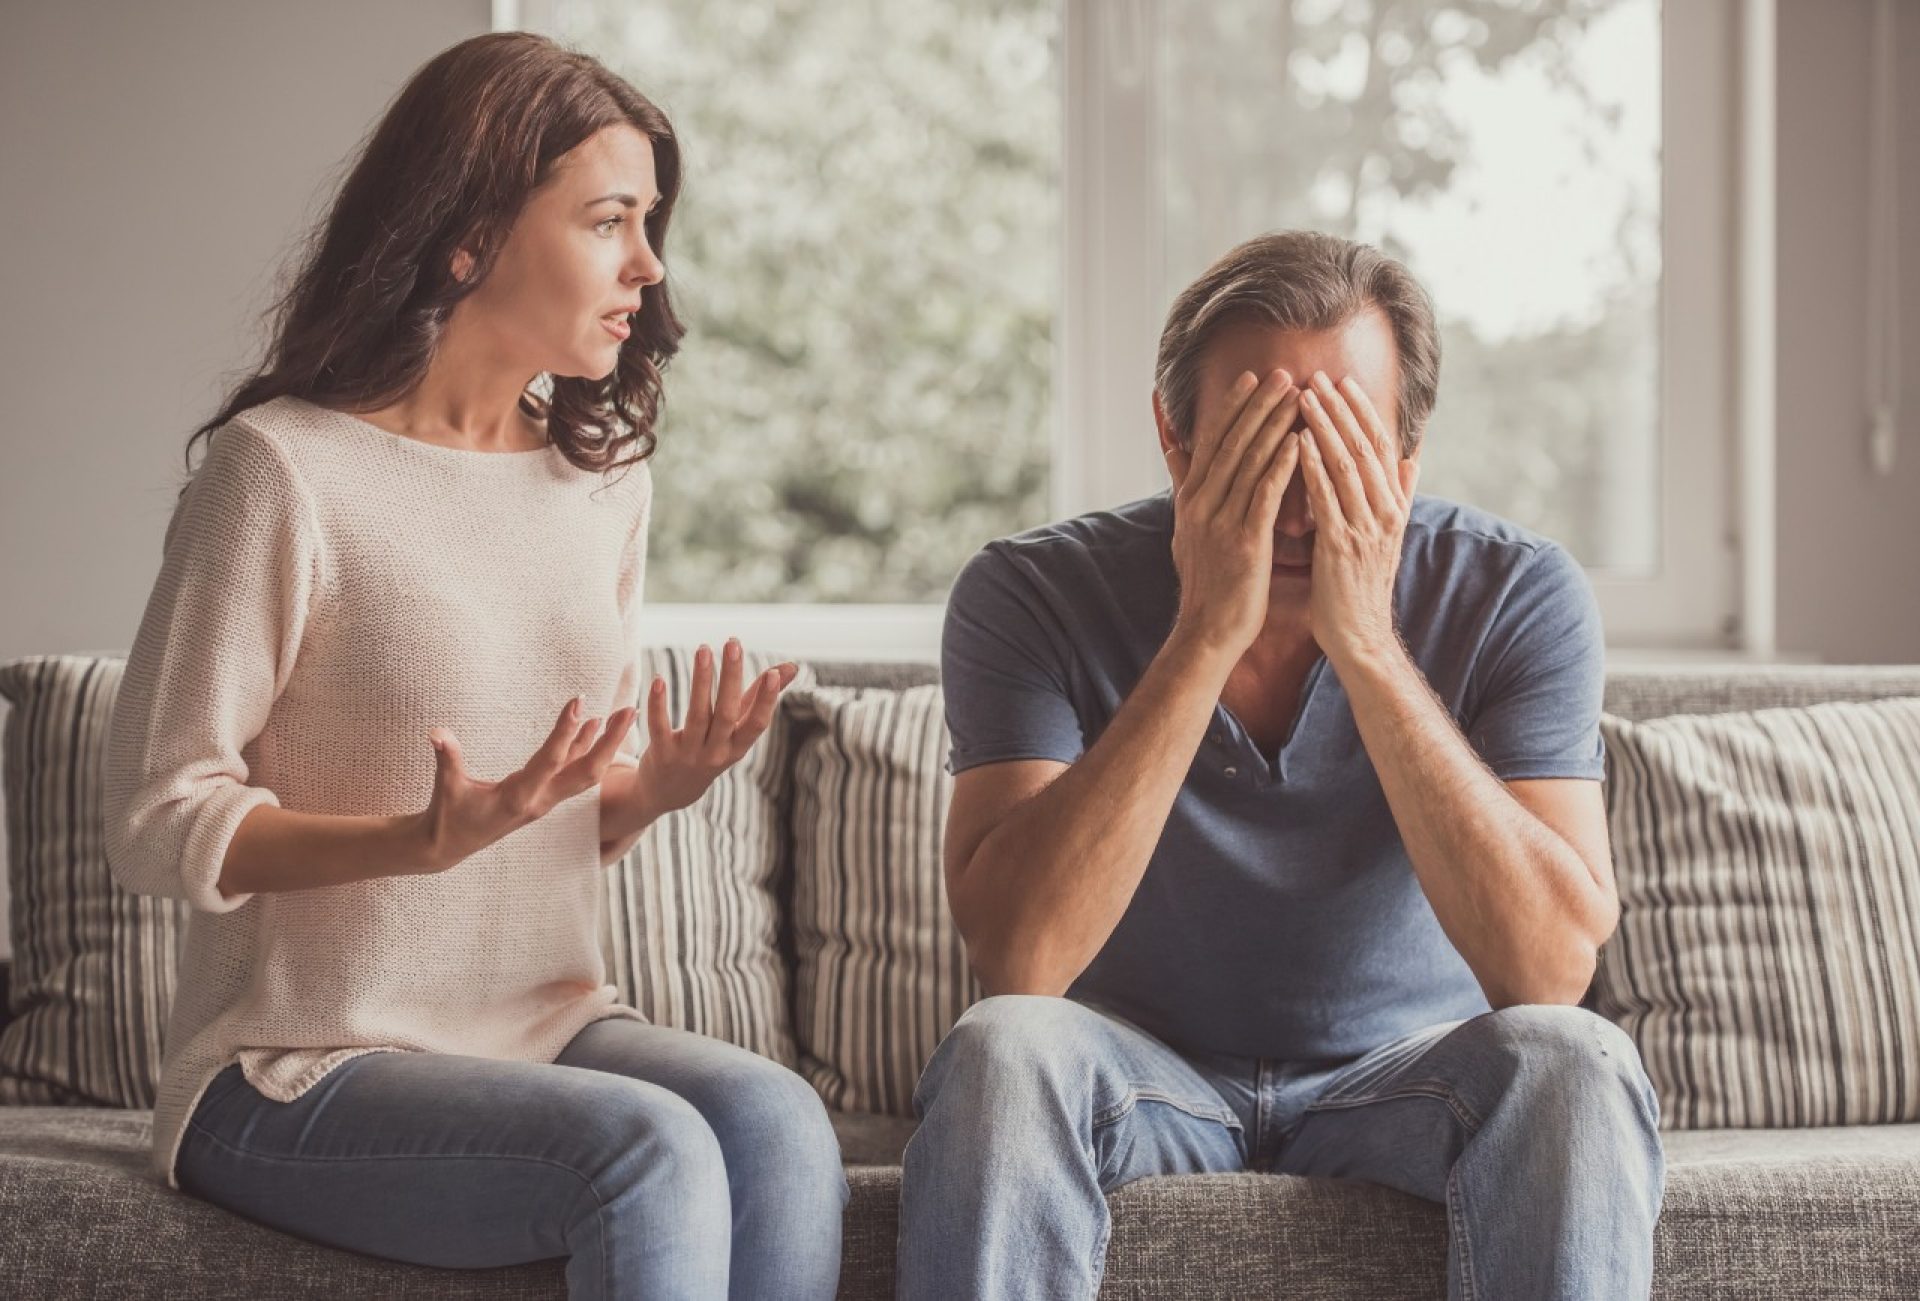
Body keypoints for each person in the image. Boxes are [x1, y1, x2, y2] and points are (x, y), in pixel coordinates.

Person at [102, 32, 845, 1301]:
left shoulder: (600, 486)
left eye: (649, 221)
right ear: (467, 235)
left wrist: (653, 787)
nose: (647, 265)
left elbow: (534, 820)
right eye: (609, 219)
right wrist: (410, 839)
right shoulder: (282, 473)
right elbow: (153, 812)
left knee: (777, 1121)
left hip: (541, 1029)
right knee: (648, 1146)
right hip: (297, 1061)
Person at [898, 230, 1665, 1300]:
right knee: (1001, 1049)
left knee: (1577, 1062)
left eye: (1341, 443)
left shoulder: (1517, 591)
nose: (1302, 500)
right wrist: (1205, 633)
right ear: (1176, 440)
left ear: (1405, 453)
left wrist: (1368, 647)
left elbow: (1548, 974)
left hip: (1409, 1076)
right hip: (1141, 1072)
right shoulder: (1031, 591)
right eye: (1265, 442)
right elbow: (1021, 956)